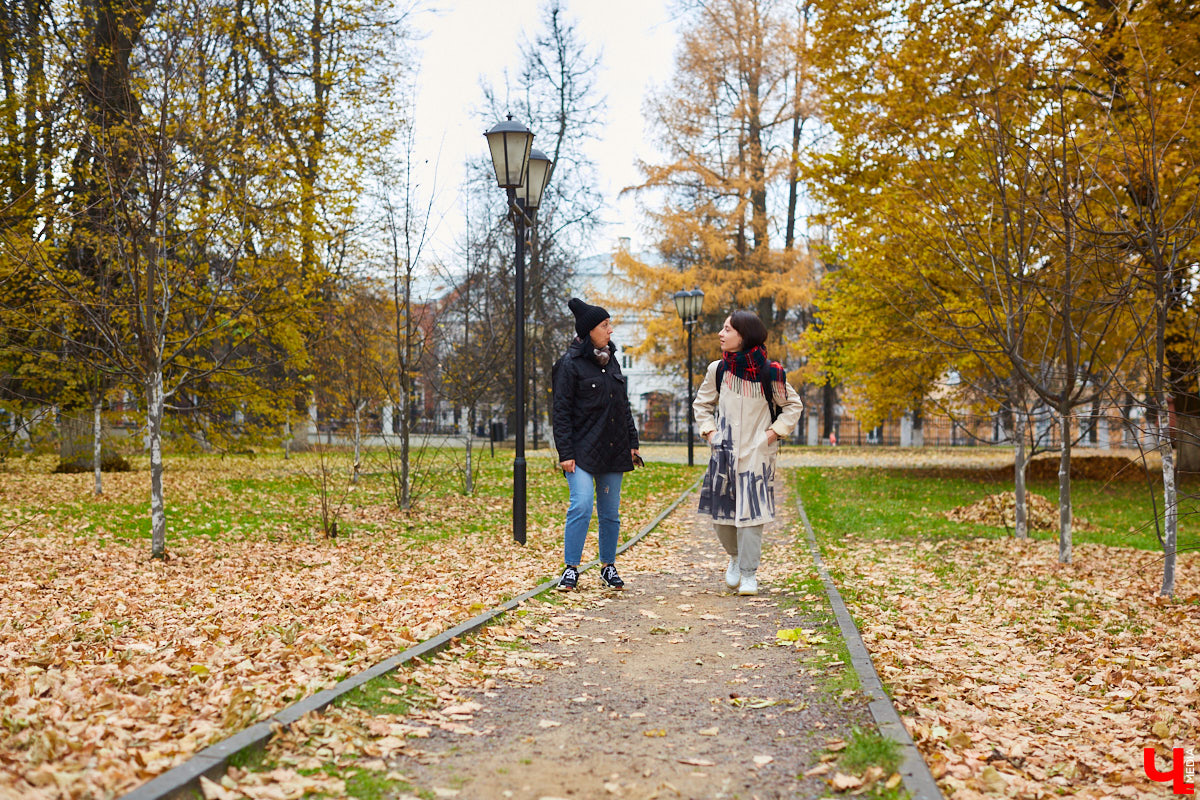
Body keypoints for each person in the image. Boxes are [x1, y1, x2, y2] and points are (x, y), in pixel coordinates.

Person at [693, 310, 803, 596]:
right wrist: (711, 433)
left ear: (744, 335)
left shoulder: (770, 372)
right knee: (721, 517)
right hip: (724, 452)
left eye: (728, 329)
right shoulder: (718, 370)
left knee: (752, 515)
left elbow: (793, 406)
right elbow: (702, 405)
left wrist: (772, 434)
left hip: (757, 454)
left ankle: (749, 574)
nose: (721, 334)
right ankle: (735, 557)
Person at [551, 297, 641, 591]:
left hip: (613, 448)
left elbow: (623, 406)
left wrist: (632, 442)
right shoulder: (569, 364)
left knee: (610, 512)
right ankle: (571, 569)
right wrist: (565, 453)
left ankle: (608, 567)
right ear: (589, 330)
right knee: (581, 505)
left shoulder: (611, 360)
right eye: (605, 325)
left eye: (609, 324)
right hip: (580, 452)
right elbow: (561, 412)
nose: (610, 330)